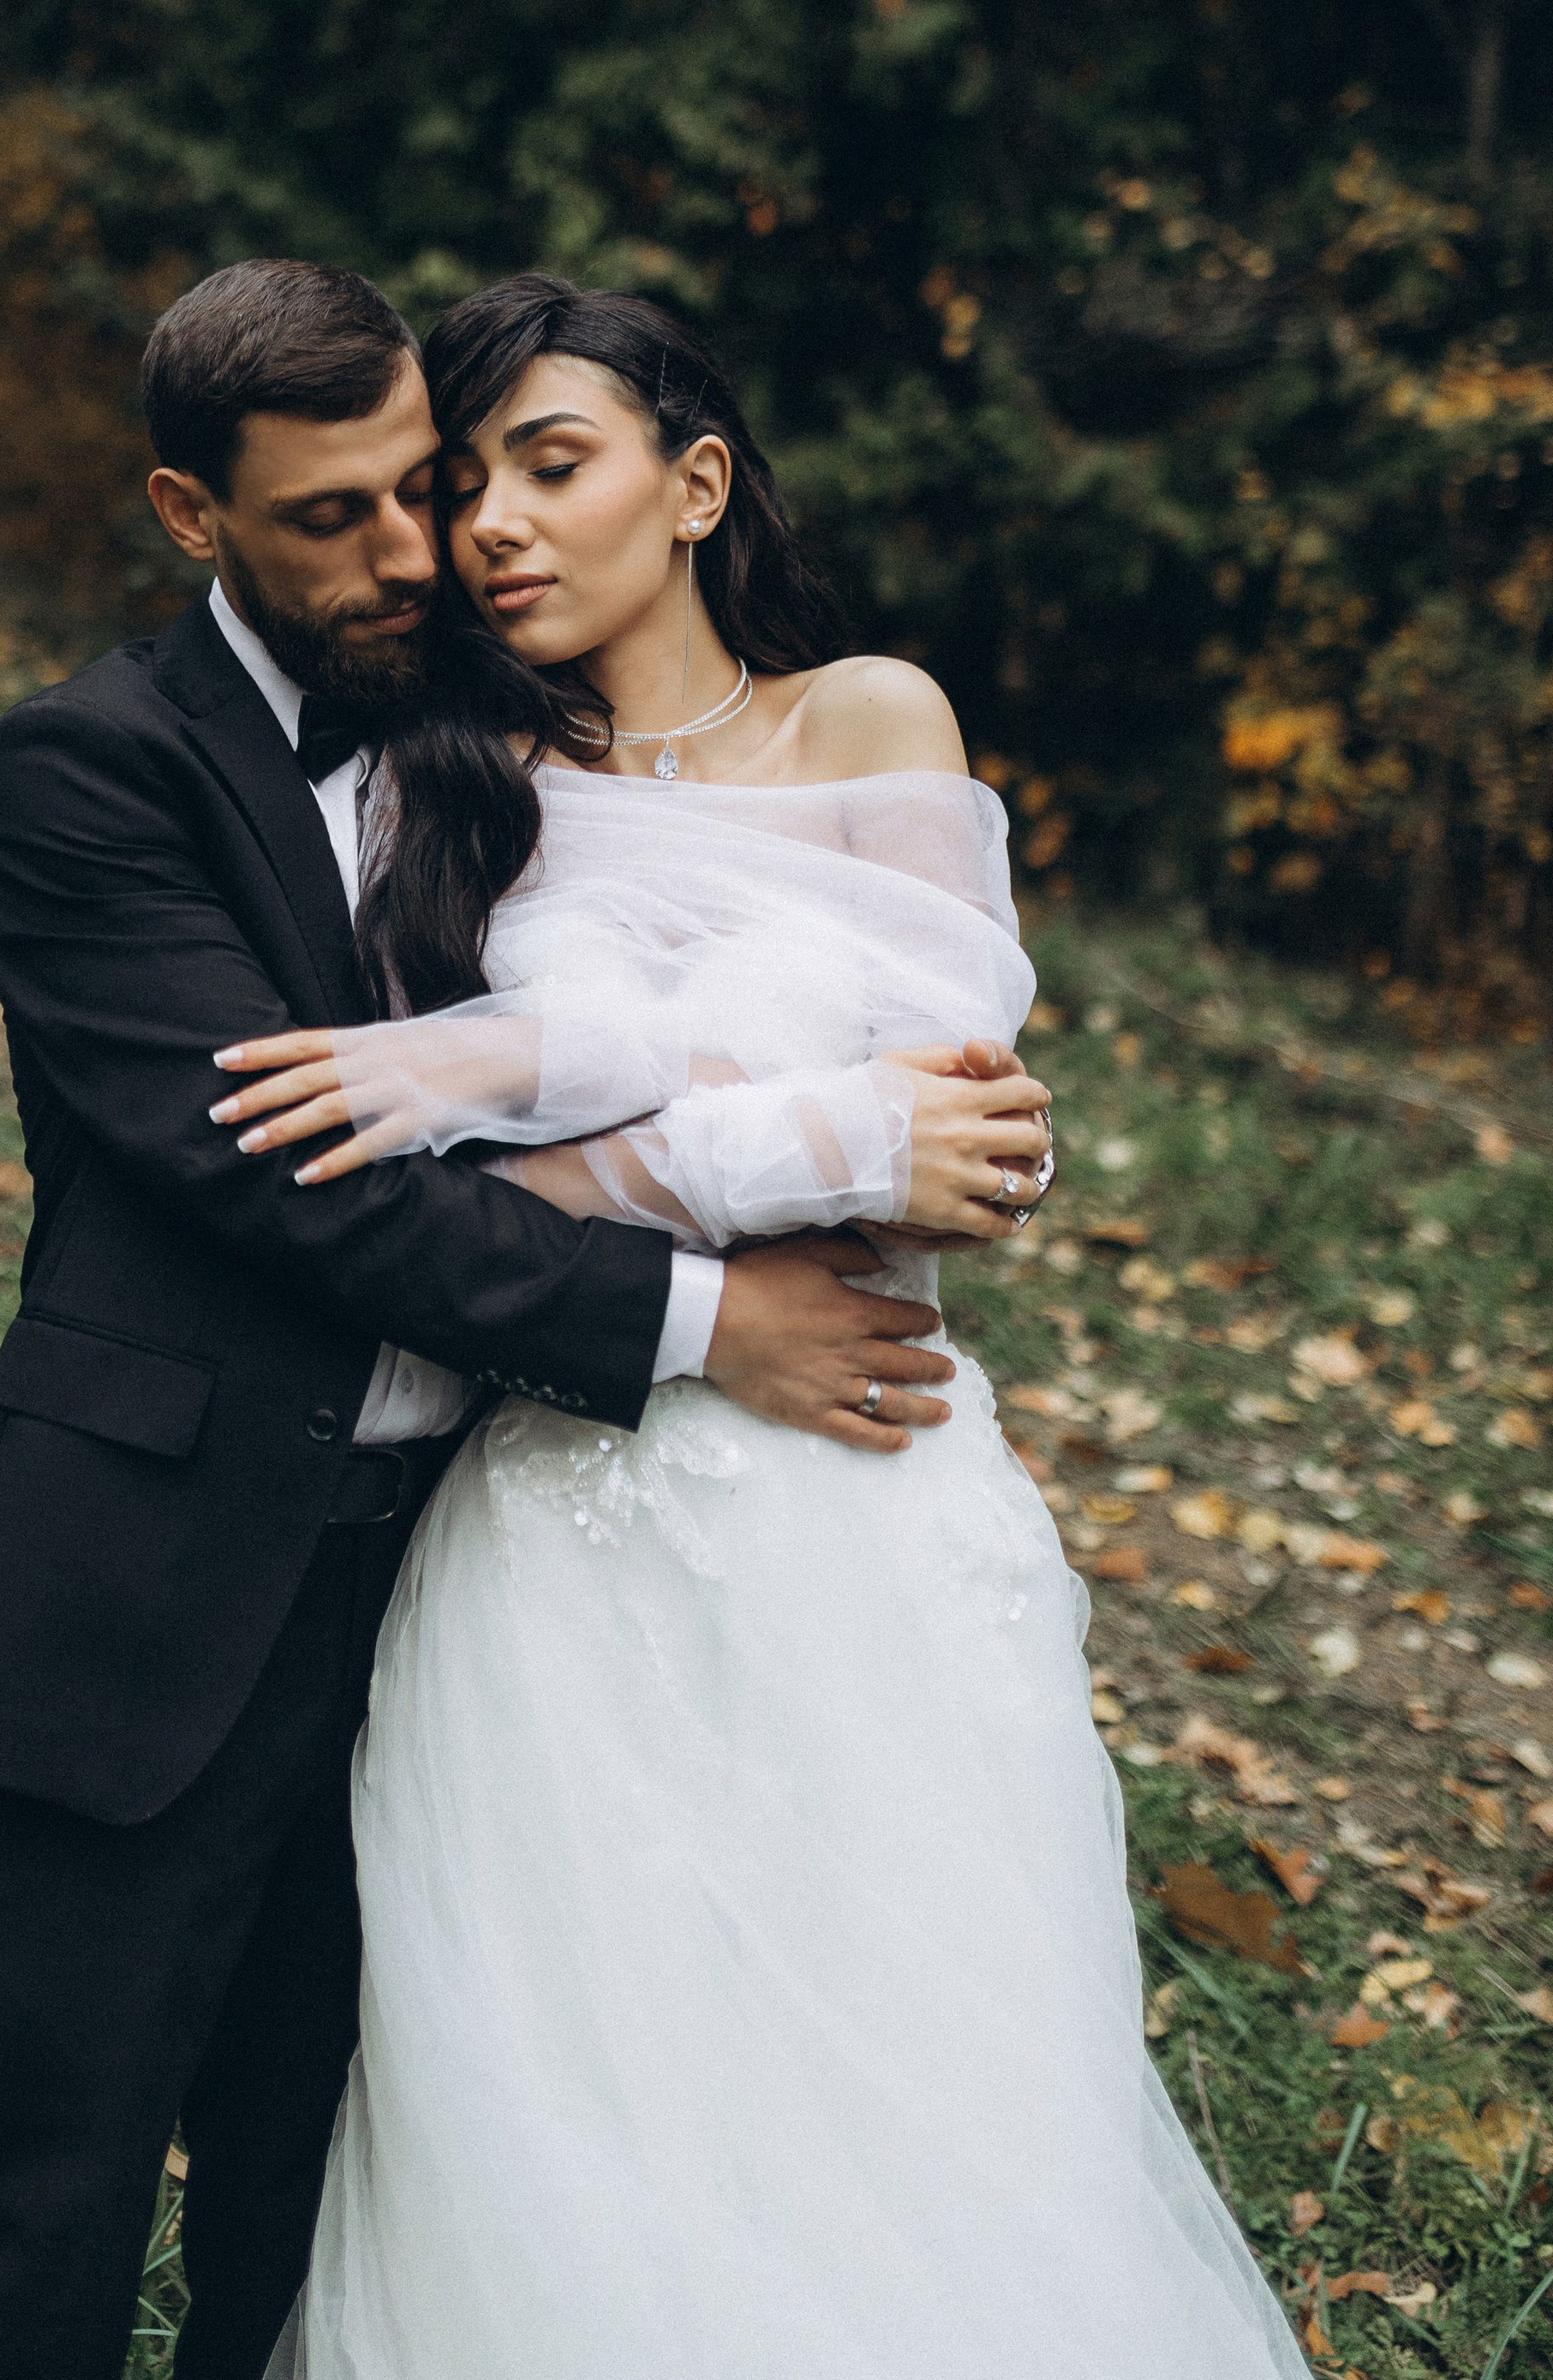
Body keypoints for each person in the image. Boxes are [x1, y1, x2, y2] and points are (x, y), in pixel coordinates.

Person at [0, 260, 1042, 2380]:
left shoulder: (492, 739)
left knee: (343, 2204)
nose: (427, 546)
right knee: (39, 2196)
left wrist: (872, 1142)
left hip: (461, 1570)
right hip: (164, 1567)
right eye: (342, 515)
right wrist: (703, 1311)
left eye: (441, 484)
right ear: (187, 512)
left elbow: (928, 1101)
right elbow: (289, 1185)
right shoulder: (86, 768)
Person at [219, 275, 1311, 2380]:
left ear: (692, 480)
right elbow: (417, 1200)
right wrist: (785, 1142)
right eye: (460, 492)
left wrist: (564, 1089)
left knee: (910, 2064)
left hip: (866, 1501)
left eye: (554, 465)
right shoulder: (436, 784)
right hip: (561, 1510)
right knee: (572, 2080)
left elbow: (968, 1149)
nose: (498, 529)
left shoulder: (869, 719)